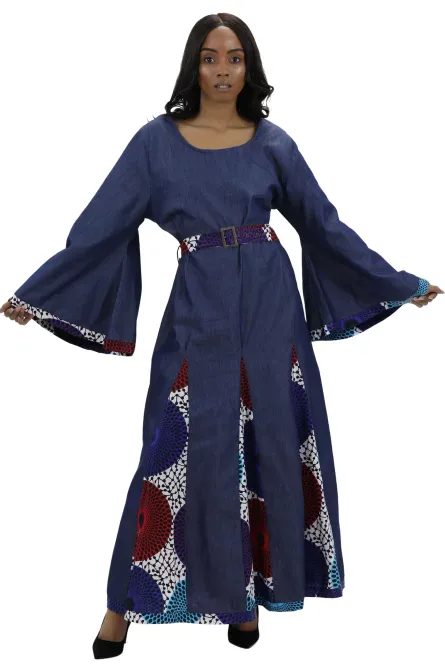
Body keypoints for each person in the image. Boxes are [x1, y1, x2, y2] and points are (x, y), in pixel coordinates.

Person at [2, 12, 442, 657]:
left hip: (270, 309)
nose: (223, 70)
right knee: (171, 453)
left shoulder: (274, 144)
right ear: (193, 65)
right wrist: (39, 293)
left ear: (249, 67)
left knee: (269, 446)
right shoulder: (154, 143)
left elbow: (324, 225)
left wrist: (395, 281)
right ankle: (121, 606)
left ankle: (246, 600)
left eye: (235, 58)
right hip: (198, 309)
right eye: (210, 58)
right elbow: (100, 226)